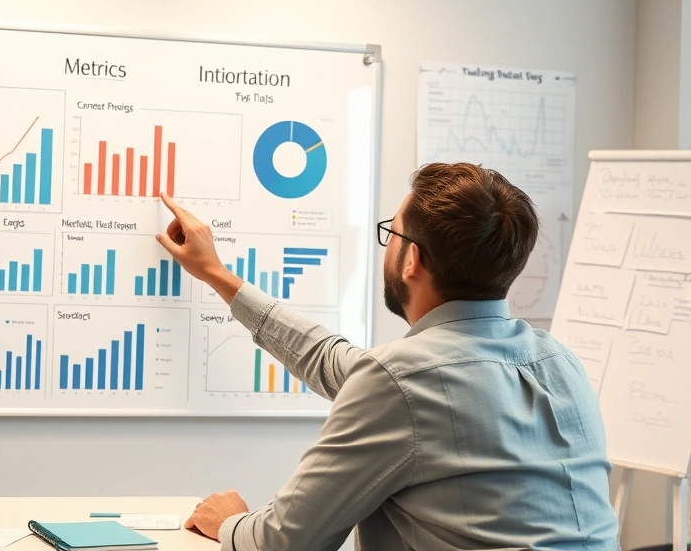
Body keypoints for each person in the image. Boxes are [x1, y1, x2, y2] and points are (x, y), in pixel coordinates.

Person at [155, 162, 619, 551]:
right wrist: (218, 275)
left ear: (411, 259)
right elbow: (334, 361)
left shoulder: (400, 382)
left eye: (390, 235)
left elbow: (284, 541)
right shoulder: (560, 362)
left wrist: (232, 521)